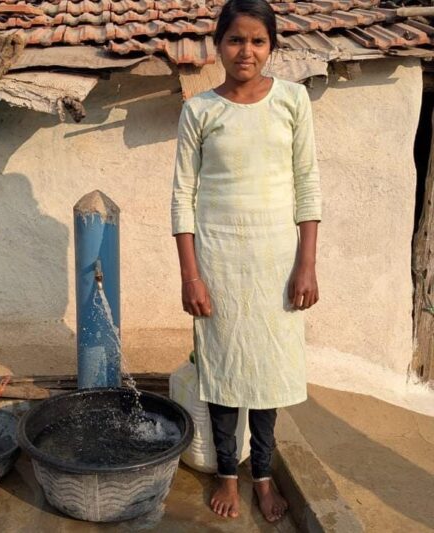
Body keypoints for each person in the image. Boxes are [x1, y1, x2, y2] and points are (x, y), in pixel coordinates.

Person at [171, 0, 322, 522]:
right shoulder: (199, 110)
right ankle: (226, 474)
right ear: (219, 45)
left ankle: (261, 475)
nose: (246, 51)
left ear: (271, 46)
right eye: (236, 40)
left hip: (276, 262)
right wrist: (190, 275)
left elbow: (307, 186)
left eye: (258, 41)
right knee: (222, 368)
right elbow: (182, 198)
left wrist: (307, 264)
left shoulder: (293, 101)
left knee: (265, 371)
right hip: (218, 261)